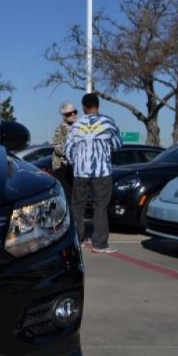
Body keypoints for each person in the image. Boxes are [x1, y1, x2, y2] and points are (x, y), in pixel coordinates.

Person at [65, 93, 122, 253]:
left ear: (83, 107)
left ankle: (78, 239)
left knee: (77, 206)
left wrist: (77, 163)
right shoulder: (108, 122)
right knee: (100, 207)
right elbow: (117, 144)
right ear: (98, 105)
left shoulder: (76, 126)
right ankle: (100, 243)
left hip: (80, 172)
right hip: (102, 171)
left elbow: (68, 150)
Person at [52, 101, 78, 201]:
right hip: (62, 167)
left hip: (72, 166)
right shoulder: (60, 129)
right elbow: (58, 147)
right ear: (64, 116)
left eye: (74, 112)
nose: (73, 115)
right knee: (65, 196)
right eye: (69, 114)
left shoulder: (77, 127)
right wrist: (72, 153)